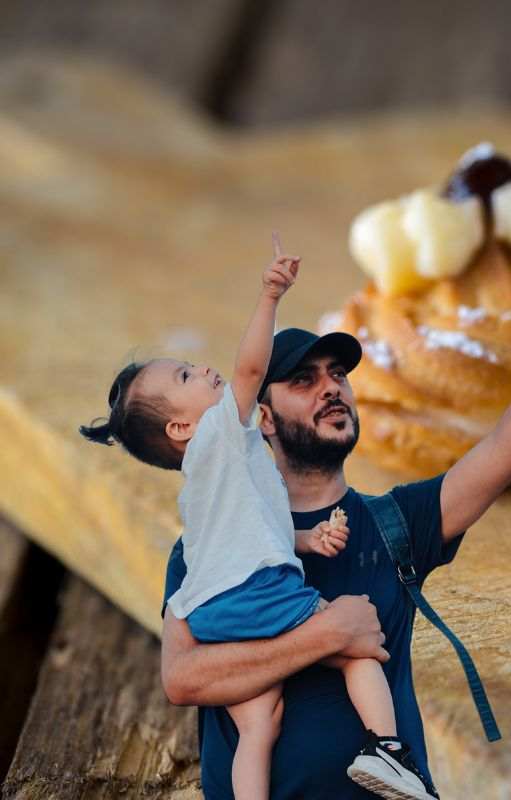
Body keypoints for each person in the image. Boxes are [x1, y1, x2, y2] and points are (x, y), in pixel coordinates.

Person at [153, 251, 511, 797]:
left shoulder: (396, 523)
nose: (331, 387)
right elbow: (183, 679)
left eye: (339, 375)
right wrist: (328, 634)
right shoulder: (209, 546)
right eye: (304, 379)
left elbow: (508, 445)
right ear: (263, 417)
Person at [80, 235, 436, 799]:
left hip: (209, 612)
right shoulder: (221, 433)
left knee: (258, 721)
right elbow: (250, 368)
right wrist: (271, 295)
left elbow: (251, 538)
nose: (202, 368)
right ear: (181, 429)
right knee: (356, 642)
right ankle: (389, 751)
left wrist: (308, 538)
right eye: (184, 378)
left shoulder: (215, 488)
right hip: (255, 595)